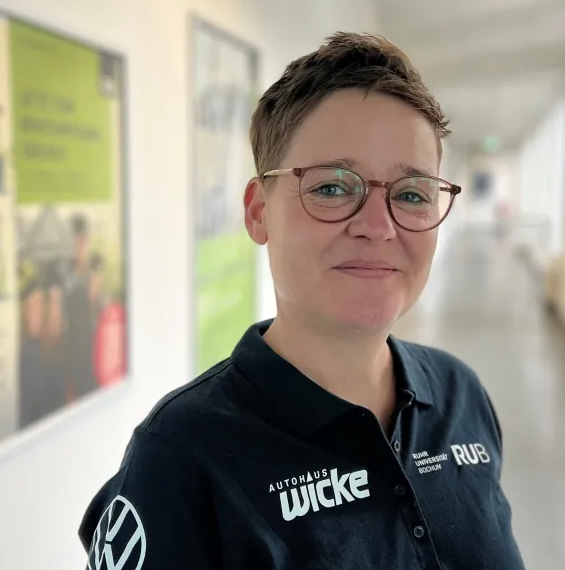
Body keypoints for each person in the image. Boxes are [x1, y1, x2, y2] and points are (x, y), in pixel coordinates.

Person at [79, 33, 525, 569]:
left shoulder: (460, 397)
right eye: (333, 187)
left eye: (411, 194)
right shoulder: (183, 455)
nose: (379, 227)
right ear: (258, 211)